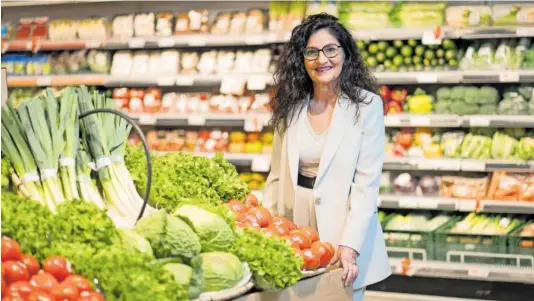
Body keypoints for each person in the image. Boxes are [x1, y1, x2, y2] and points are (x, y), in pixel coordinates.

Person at [263, 13, 391, 301]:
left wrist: (350, 246)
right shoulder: (290, 107)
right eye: (312, 52)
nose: (322, 59)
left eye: (331, 49)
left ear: (345, 53)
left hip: (343, 225)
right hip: (295, 226)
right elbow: (276, 176)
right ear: (301, 59)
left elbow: (366, 184)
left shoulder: (366, 106)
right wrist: (264, 230)